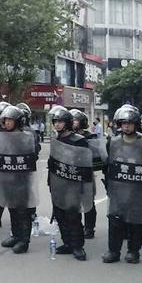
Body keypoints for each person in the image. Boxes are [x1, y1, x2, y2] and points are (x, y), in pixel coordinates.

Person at [0, 106, 40, 254]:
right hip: (8, 177)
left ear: (18, 121)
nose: (6, 123)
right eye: (5, 120)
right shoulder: (2, 136)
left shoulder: (27, 136)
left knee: (22, 210)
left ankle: (24, 240)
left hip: (22, 178)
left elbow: (33, 155)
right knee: (12, 208)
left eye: (10, 120)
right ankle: (15, 235)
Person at [102, 105, 142, 264]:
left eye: (129, 123)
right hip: (118, 190)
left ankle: (133, 252)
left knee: (136, 221)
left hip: (137, 191)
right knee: (115, 221)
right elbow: (107, 165)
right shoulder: (113, 142)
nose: (126, 126)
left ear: (136, 124)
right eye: (123, 123)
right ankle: (113, 251)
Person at [47, 106, 89, 261]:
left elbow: (84, 163)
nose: (57, 124)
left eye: (60, 121)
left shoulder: (79, 140)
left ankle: (78, 246)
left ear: (68, 123)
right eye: (55, 121)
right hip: (57, 183)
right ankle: (67, 243)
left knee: (73, 216)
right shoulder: (55, 139)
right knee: (60, 215)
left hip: (73, 184)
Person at [71, 109, 103, 239]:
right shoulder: (67, 136)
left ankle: (89, 228)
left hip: (86, 174)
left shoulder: (90, 137)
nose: (73, 122)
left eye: (75, 120)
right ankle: (75, 227)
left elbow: (97, 158)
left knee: (88, 202)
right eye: (71, 120)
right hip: (71, 174)